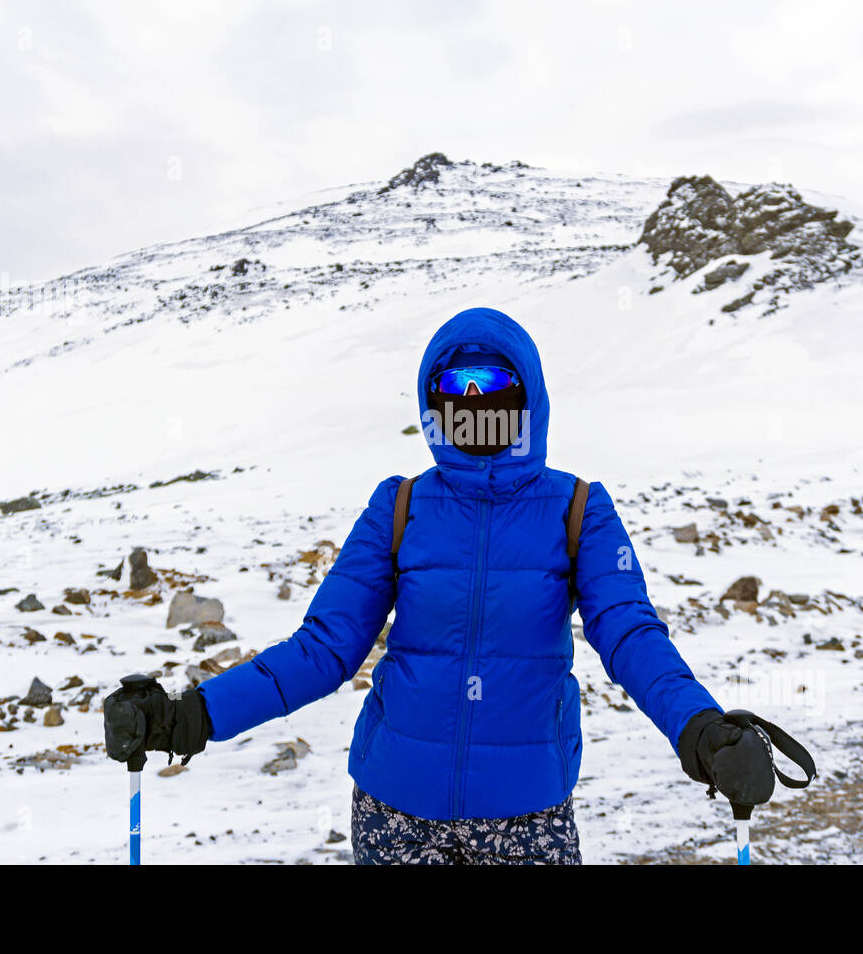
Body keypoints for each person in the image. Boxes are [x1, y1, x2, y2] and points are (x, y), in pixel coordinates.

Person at [105, 306, 782, 864]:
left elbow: (630, 634)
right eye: (455, 388)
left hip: (527, 819)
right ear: (433, 400)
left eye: (490, 383)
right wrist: (191, 716)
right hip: (393, 814)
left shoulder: (578, 508)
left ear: (528, 394)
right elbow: (323, 649)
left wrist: (700, 728)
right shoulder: (399, 506)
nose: (474, 401)